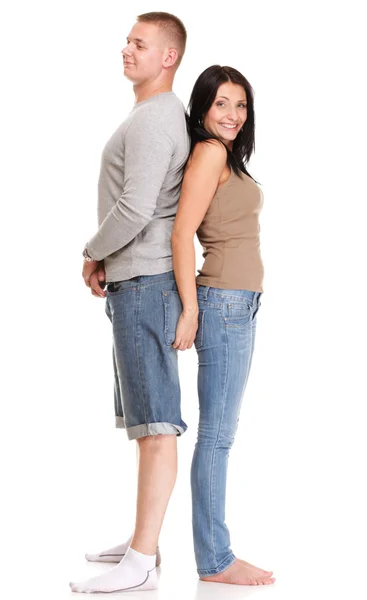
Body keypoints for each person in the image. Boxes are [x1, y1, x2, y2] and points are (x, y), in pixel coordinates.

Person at [70, 12, 189, 593]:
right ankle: (145, 541)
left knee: (157, 424)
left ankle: (141, 560)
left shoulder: (154, 120)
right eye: (127, 41)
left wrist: (92, 251)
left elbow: (137, 208)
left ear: (168, 56)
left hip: (144, 284)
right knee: (146, 423)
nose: (126, 49)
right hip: (136, 283)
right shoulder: (153, 115)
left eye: (139, 44)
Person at [170, 65, 275, 586]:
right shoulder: (210, 153)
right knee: (216, 437)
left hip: (240, 303)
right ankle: (215, 559)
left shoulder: (226, 156)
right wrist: (191, 309)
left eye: (241, 105)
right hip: (223, 302)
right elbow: (182, 233)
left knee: (219, 435)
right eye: (222, 104)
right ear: (203, 108)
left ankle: (215, 555)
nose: (233, 115)